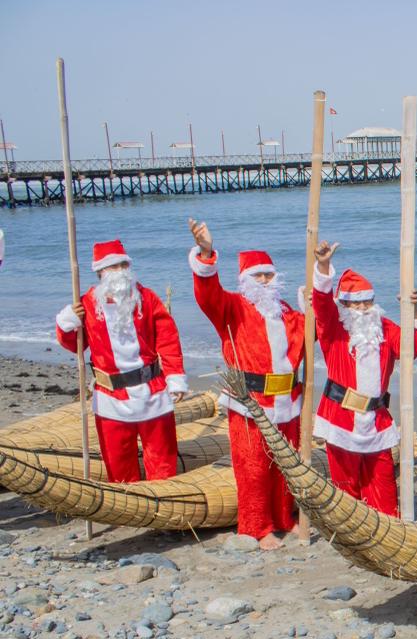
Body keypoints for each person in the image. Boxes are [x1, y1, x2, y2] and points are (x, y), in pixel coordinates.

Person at [188, 218, 305, 550]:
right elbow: (207, 295)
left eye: (269, 275)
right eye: (259, 276)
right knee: (253, 466)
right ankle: (256, 527)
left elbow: (310, 333)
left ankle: (284, 518)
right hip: (250, 402)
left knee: (285, 463)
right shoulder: (232, 307)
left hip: (287, 400)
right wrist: (206, 254)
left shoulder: (285, 312)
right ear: (245, 281)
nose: (266, 281)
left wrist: (313, 302)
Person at [311, 241, 417, 515]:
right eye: (357, 303)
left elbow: (412, 347)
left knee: (384, 488)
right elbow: (321, 302)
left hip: (377, 421)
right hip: (341, 418)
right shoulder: (333, 328)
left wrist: (414, 312)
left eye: (368, 301)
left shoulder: (385, 329)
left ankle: (387, 530)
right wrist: (323, 266)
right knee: (346, 490)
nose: (364, 308)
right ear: (344, 305)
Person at [54, 239, 187, 482]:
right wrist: (66, 325)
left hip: (152, 393)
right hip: (110, 397)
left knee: (162, 462)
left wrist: (175, 377)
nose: (120, 271)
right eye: (114, 266)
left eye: (123, 265)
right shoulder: (87, 304)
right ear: (101, 272)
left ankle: (164, 508)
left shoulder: (146, 298)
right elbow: (76, 346)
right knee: (119, 466)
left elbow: (168, 339)